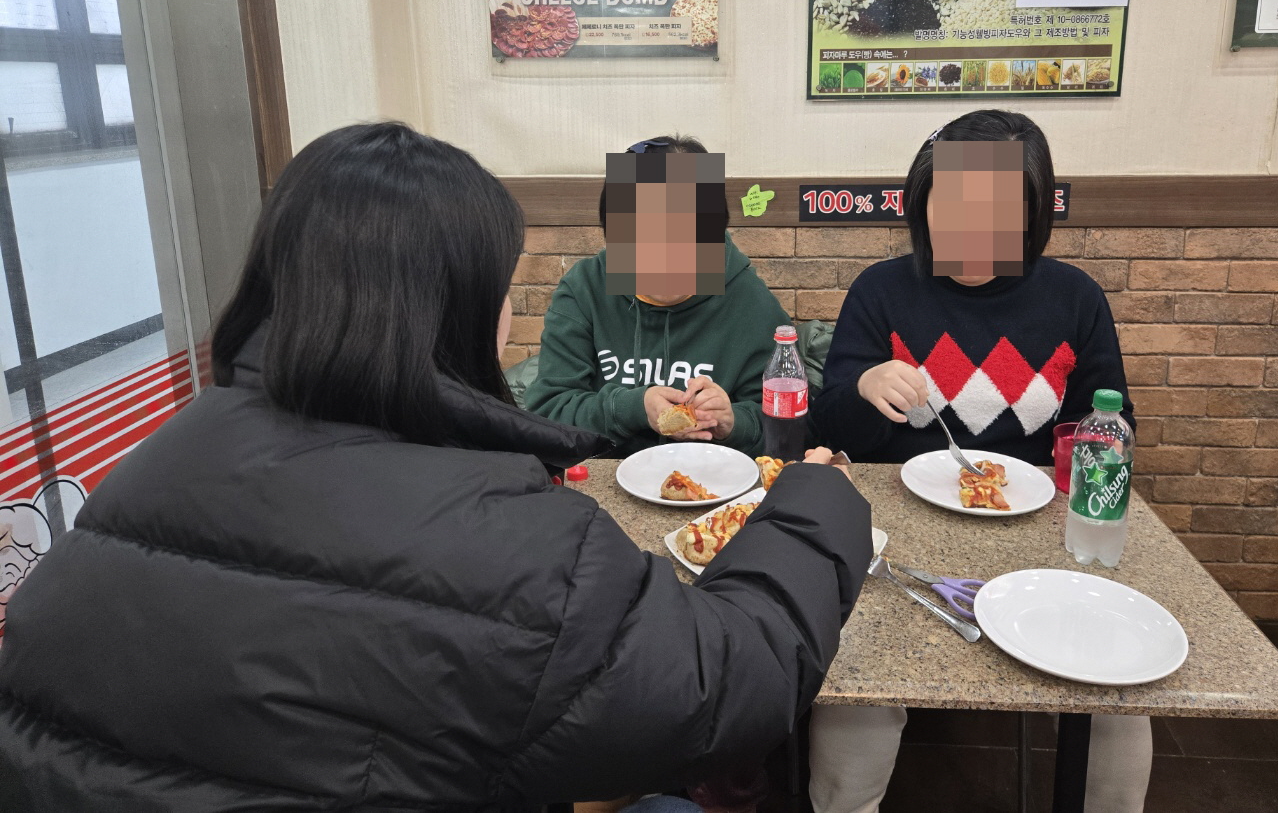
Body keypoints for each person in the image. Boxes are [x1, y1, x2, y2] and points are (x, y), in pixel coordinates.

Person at [0, 123, 872, 812]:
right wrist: (819, 500)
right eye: (499, 287)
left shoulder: (141, 469)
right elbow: (724, 686)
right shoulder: (508, 537)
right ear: (453, 306)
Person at [808, 110, 1149, 813]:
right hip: (896, 537)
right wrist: (865, 388)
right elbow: (834, 426)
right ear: (922, 202)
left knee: (1120, 694)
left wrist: (1088, 459)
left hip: (1034, 538)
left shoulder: (1074, 298)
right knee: (854, 674)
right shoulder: (880, 290)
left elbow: (1108, 426)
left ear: (1031, 211)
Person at [525, 135, 789, 458]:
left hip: (712, 479)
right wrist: (633, 407)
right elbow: (547, 412)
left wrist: (735, 422)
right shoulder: (585, 289)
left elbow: (789, 431)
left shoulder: (748, 300)